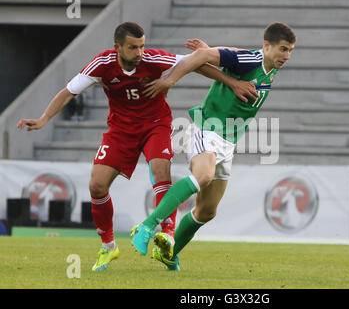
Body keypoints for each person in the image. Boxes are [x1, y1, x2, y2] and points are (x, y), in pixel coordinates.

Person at [17, 22, 258, 271]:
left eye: (142, 46)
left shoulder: (154, 59)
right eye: (133, 47)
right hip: (120, 131)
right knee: (96, 185)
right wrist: (44, 118)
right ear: (118, 47)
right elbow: (68, 92)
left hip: (156, 125)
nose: (139, 52)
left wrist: (231, 82)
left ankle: (167, 234)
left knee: (161, 171)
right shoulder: (102, 64)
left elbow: (196, 63)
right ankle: (108, 246)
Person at [130, 22, 296, 270]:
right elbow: (202, 58)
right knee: (203, 176)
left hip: (227, 141)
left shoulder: (270, 67)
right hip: (207, 128)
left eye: (290, 50)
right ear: (266, 46)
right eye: (283, 49)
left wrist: (216, 60)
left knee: (207, 211)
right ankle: (145, 226)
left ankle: (169, 254)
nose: (287, 56)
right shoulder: (250, 60)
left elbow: (217, 60)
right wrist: (171, 80)